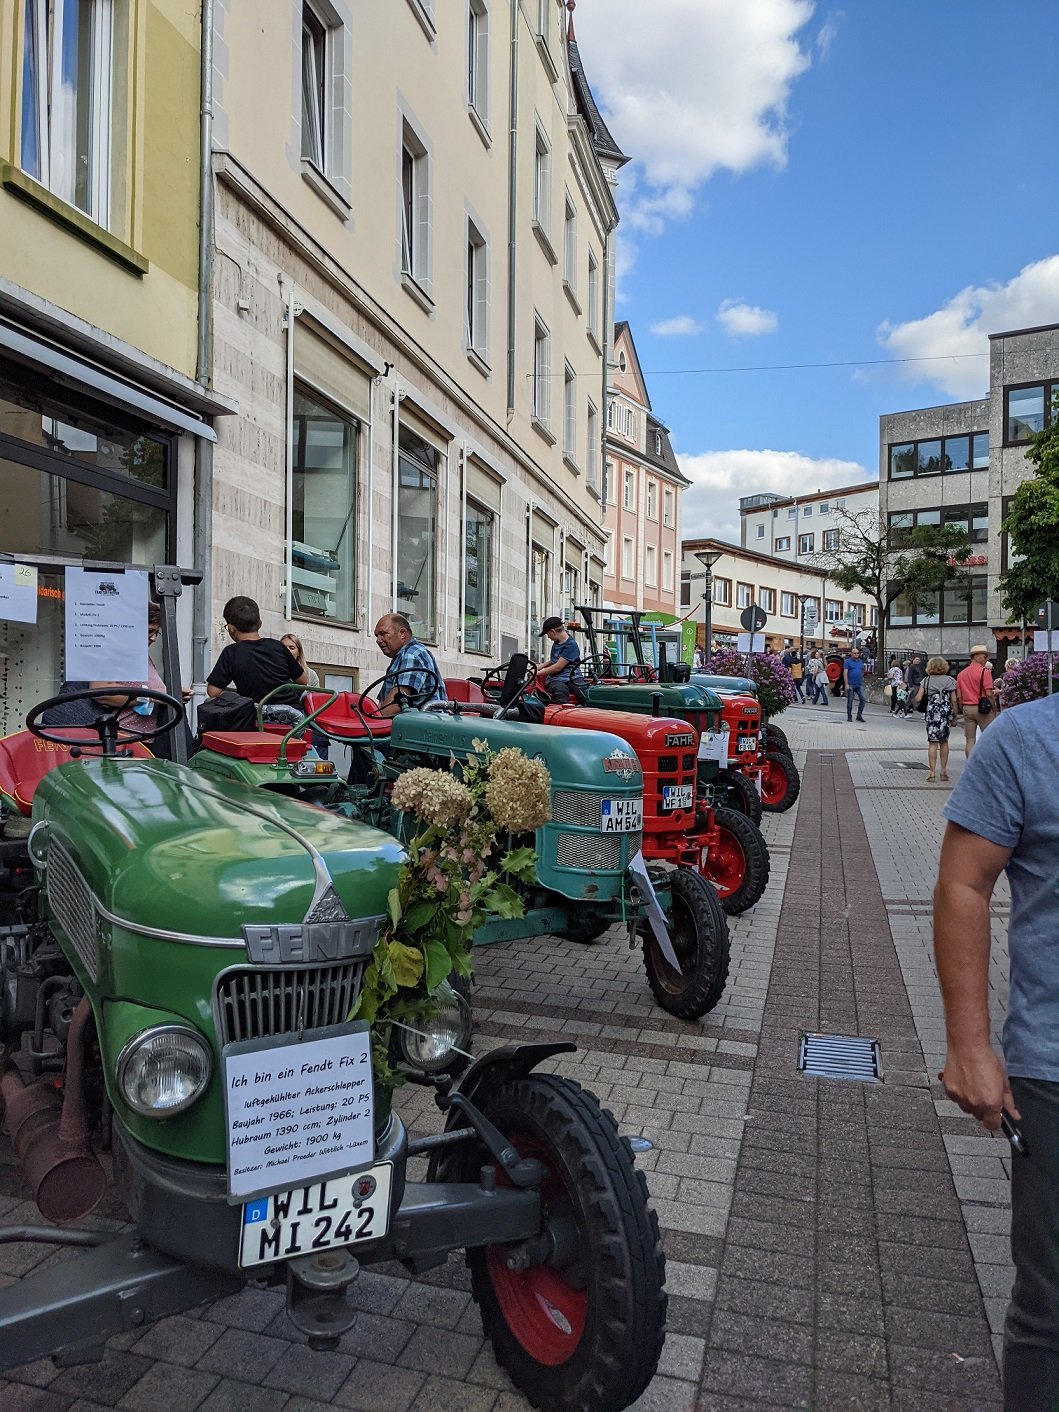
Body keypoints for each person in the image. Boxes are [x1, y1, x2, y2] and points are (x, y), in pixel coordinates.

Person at [933, 688, 1059, 1409]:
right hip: (1050, 1071)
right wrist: (969, 1042)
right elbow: (962, 883)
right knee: (1050, 1312)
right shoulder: (1025, 737)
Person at [207, 597, 307, 710]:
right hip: (293, 715)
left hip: (257, 717)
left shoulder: (231, 652)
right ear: (260, 624)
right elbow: (303, 680)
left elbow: (213, 691)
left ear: (231, 628)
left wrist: (238, 696)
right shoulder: (277, 646)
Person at [373, 613, 446, 716]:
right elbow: (382, 705)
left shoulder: (412, 654)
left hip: (425, 726)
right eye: (377, 635)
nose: (378, 640)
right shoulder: (400, 658)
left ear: (402, 633)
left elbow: (393, 706)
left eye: (383, 634)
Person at [914, 654, 957, 782]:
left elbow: (918, 698)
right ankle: (943, 771)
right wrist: (955, 715)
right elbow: (954, 700)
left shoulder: (926, 681)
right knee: (944, 742)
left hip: (932, 713)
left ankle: (932, 772)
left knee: (932, 742)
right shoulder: (950, 680)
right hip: (945, 713)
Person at [956, 644, 997, 758]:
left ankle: (970, 765)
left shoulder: (961, 674)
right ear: (977, 656)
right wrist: (994, 708)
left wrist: (962, 708)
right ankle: (988, 764)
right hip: (982, 708)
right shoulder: (985, 672)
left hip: (967, 708)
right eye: (985, 657)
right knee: (990, 738)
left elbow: (959, 696)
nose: (986, 659)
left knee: (970, 740)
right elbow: (989, 693)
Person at [535, 616, 587, 704]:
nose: (548, 637)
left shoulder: (571, 645)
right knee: (560, 692)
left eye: (548, 634)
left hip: (573, 677)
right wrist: (540, 666)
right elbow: (555, 660)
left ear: (553, 631)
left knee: (584, 694)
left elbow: (557, 667)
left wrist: (537, 673)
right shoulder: (557, 643)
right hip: (556, 679)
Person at [844, 646, 866, 722]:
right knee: (850, 700)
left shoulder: (860, 661)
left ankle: (859, 715)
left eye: (857, 653)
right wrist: (846, 684)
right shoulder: (848, 662)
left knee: (863, 699)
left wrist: (862, 676)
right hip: (851, 684)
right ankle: (849, 716)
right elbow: (845, 672)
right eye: (854, 653)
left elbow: (862, 670)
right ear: (851, 654)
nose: (856, 654)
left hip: (859, 684)